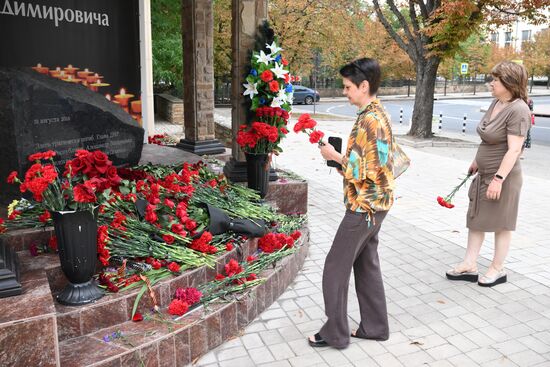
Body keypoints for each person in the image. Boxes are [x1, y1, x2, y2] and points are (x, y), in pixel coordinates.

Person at [308, 58, 395, 349]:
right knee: (366, 264)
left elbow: (358, 171)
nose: (344, 92)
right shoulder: (378, 112)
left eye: (347, 87)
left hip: (363, 207)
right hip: (379, 203)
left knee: (335, 266)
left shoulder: (368, 119)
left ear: (364, 86)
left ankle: (335, 333)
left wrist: (332, 155)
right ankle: (375, 326)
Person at [446, 61, 531, 287]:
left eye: (495, 80)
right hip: (484, 173)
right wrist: (476, 161)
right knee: (476, 219)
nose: (490, 83)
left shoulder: (519, 109)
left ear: (509, 83)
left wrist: (498, 179)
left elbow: (514, 149)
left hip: (503, 178)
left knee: (501, 224)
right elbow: (488, 139)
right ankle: (469, 264)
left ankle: (497, 268)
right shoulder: (497, 103)